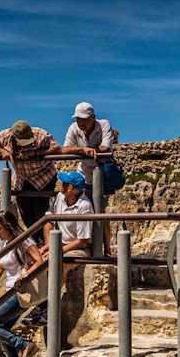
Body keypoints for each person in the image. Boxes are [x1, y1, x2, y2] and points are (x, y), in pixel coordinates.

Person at [26, 172, 93, 327]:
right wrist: (49, 244)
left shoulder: (84, 206)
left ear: (70, 187)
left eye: (63, 182)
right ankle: (40, 304)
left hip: (77, 248)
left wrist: (57, 251)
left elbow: (82, 242)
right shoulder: (60, 198)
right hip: (60, 245)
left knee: (60, 264)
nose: (59, 183)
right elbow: (48, 221)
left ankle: (48, 308)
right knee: (39, 261)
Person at [0, 211, 43, 357]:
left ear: (9, 226)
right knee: (2, 330)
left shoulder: (24, 240)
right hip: (9, 292)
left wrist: (24, 277)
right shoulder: (6, 243)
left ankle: (24, 345)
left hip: (20, 292)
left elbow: (39, 261)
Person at [0, 120, 61, 245]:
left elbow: (57, 148)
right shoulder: (4, 136)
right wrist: (2, 152)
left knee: (40, 211)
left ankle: (43, 242)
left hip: (43, 176)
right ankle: (35, 241)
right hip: (22, 178)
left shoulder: (40, 134)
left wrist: (35, 153)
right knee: (25, 213)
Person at [61, 101, 114, 255]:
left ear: (93, 117)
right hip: (83, 174)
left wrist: (86, 150)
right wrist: (83, 149)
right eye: (78, 119)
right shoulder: (74, 128)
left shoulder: (104, 125)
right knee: (81, 209)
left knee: (101, 212)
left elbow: (106, 147)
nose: (80, 122)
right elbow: (65, 149)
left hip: (101, 175)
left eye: (84, 119)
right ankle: (85, 245)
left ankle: (107, 250)